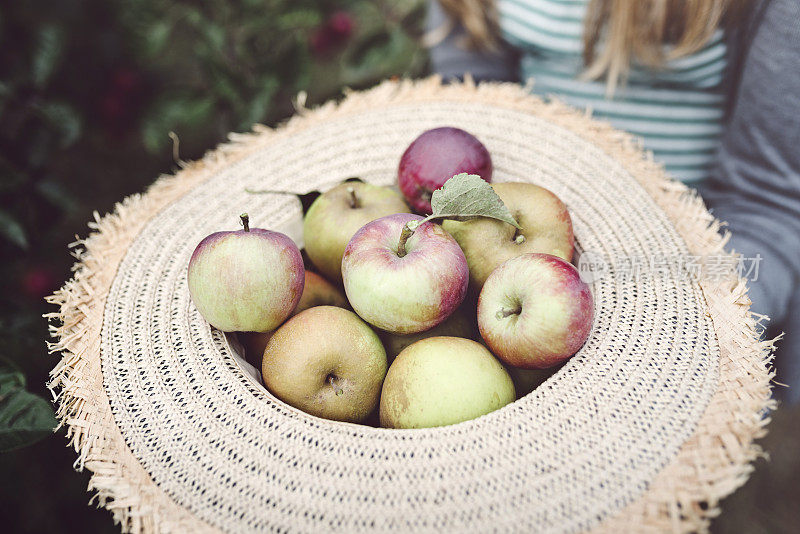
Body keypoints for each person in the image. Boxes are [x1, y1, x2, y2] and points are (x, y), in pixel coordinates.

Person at [426, 0, 800, 402]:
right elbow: (479, 124)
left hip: (679, 272)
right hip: (519, 266)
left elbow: (769, 203)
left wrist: (698, 329)